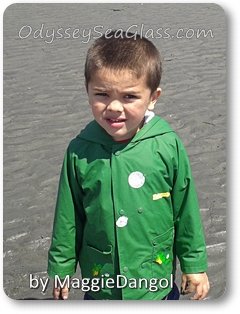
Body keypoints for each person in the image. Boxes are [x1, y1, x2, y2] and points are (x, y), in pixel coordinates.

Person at [47, 30, 210, 300]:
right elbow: (68, 216)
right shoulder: (80, 150)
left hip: (155, 283)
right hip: (102, 285)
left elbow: (185, 209)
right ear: (87, 90)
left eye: (129, 97)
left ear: (153, 97)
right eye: (101, 94)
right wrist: (61, 267)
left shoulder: (167, 145)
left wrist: (194, 265)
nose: (113, 107)